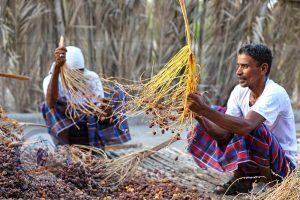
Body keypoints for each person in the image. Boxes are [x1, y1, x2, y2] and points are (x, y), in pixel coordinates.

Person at [187, 43, 297, 194]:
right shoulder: (239, 91)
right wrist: (199, 114)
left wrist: (204, 109)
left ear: (263, 68)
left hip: (282, 166)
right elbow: (224, 134)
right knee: (218, 115)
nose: (238, 72)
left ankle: (272, 185)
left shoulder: (275, 92)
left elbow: (247, 126)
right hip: (258, 161)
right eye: (238, 66)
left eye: (245, 66)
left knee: (251, 127)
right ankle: (243, 180)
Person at [41, 45, 131, 148]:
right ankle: (64, 147)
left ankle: (94, 147)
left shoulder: (91, 78)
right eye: (73, 73)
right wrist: (57, 68)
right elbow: (50, 104)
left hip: (88, 128)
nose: (78, 76)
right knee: (47, 106)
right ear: (64, 71)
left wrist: (106, 114)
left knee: (117, 93)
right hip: (66, 128)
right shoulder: (52, 80)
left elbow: (101, 116)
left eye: (81, 71)